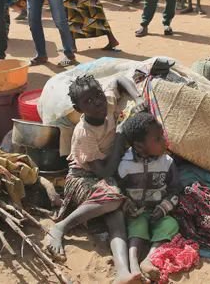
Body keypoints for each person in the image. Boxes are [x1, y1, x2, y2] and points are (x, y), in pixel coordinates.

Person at [50, 75, 143, 284]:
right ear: (78, 108)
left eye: (98, 95)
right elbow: (103, 172)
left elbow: (120, 80)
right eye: (88, 101)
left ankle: (122, 272)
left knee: (116, 215)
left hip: (107, 177)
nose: (97, 102)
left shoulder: (107, 102)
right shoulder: (84, 133)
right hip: (82, 178)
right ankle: (61, 227)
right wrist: (119, 140)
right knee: (114, 199)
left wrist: (137, 98)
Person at [118, 112, 181, 282]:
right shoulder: (125, 164)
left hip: (158, 211)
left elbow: (175, 190)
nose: (164, 142)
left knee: (170, 224)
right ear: (139, 146)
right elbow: (118, 189)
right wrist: (126, 201)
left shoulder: (167, 162)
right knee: (136, 227)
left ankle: (149, 259)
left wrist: (163, 208)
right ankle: (133, 263)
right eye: (158, 139)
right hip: (137, 212)